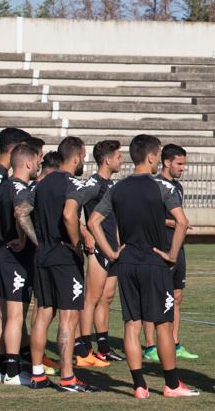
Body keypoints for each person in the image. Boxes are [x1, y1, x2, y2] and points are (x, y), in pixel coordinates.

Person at [87, 134, 198, 398]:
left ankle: (139, 386)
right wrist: (171, 254)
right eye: (159, 154)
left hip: (126, 263)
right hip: (154, 262)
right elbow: (182, 222)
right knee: (162, 325)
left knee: (132, 324)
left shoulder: (117, 188)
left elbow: (92, 222)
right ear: (150, 157)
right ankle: (171, 385)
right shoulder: (162, 187)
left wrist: (112, 253)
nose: (159, 158)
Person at [17, 136, 96, 392]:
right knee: (68, 317)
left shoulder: (40, 183)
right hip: (64, 257)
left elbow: (21, 212)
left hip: (43, 256)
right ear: (75, 156)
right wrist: (75, 242)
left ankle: (37, 373)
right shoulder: (72, 183)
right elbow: (69, 214)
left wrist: (37, 240)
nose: (84, 160)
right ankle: (67, 377)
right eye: (83, 156)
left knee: (42, 313)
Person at [0, 142, 40, 386]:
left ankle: (2, 369)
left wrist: (3, 237)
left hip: (2, 254)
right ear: (28, 162)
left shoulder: (1, 186)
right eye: (37, 160)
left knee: (5, 315)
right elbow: (21, 214)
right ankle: (13, 372)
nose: (39, 164)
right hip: (16, 259)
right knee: (15, 316)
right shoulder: (20, 188)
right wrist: (31, 241)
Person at [65, 139, 124, 365]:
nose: (121, 160)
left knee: (106, 298)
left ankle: (104, 347)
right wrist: (85, 233)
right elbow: (73, 208)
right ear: (107, 159)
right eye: (118, 156)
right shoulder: (93, 183)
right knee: (91, 298)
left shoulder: (113, 185)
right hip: (99, 248)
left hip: (114, 248)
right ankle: (84, 348)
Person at [143, 144, 195, 362]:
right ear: (166, 162)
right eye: (179, 164)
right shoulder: (154, 186)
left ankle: (174, 342)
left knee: (176, 296)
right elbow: (147, 217)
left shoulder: (178, 187)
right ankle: (150, 345)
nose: (183, 168)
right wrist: (174, 223)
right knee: (152, 297)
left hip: (177, 248)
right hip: (158, 248)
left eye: (184, 163)